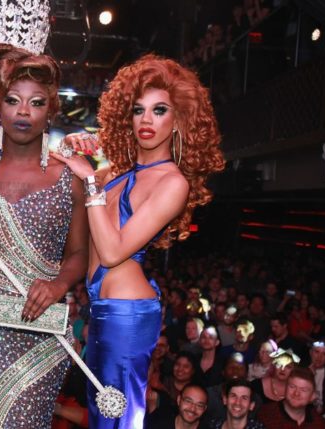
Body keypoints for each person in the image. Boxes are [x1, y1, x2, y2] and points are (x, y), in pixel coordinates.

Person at [53, 53, 224, 428]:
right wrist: (68, 150)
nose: (146, 120)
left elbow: (113, 251)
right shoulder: (116, 170)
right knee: (100, 411)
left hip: (128, 314)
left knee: (119, 415)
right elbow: (68, 190)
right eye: (138, 109)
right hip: (100, 306)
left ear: (178, 119)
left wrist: (91, 179)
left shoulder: (172, 182)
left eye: (159, 110)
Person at [0, 41, 89, 427]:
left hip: (40, 328)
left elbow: (79, 255)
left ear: (50, 111)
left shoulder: (69, 178)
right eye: (13, 100)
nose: (24, 112)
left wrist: (59, 285)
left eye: (36, 102)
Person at [258, 367, 325, 429]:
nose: (296, 393)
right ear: (285, 388)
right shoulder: (265, 415)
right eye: (292, 387)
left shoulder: (319, 424)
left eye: (303, 390)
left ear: (313, 396)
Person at [144, 383, 211, 429]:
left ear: (204, 409)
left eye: (199, 405)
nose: (192, 409)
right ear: (179, 400)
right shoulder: (158, 425)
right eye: (188, 401)